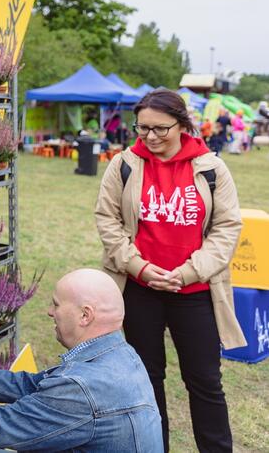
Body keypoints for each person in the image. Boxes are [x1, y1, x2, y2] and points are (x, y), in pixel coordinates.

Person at [95, 88, 245, 452]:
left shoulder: (211, 167)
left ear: (182, 124)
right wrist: (140, 268)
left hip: (193, 293)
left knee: (205, 382)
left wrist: (190, 272)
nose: (150, 137)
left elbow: (227, 228)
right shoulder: (125, 164)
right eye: (142, 128)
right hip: (139, 290)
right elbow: (107, 220)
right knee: (146, 380)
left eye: (160, 129)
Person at [0, 268, 163, 452]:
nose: (49, 312)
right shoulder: (119, 355)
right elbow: (30, 385)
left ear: (85, 316)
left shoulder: (82, 387)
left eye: (56, 305)